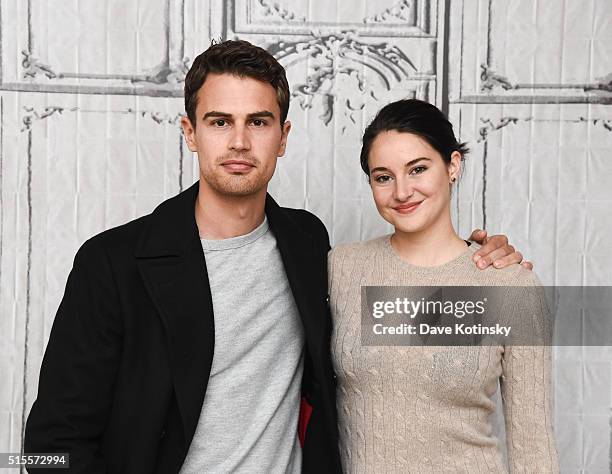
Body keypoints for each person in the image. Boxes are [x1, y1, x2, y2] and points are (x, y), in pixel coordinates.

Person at [24, 40, 526, 473]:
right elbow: (50, 447)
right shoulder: (114, 263)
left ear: (283, 137)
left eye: (258, 122)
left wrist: (484, 272)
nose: (239, 142)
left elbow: (400, 323)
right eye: (219, 121)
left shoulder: (309, 245)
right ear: (189, 132)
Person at [329, 99, 559, 472]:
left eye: (417, 169)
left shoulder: (511, 285)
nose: (402, 192)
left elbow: (534, 448)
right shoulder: (341, 268)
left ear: (453, 165)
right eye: (383, 177)